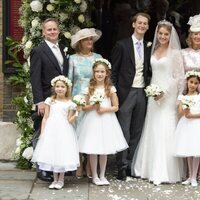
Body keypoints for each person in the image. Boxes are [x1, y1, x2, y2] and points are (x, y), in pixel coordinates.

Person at [132, 20, 185, 185]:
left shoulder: (175, 53)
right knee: (152, 127)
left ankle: (165, 171)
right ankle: (148, 168)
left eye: (165, 34)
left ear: (170, 36)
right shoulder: (154, 49)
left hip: (167, 96)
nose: (162, 36)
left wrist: (165, 92)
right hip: (153, 95)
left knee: (165, 127)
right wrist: (154, 92)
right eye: (160, 33)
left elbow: (179, 76)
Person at [111, 12, 152, 181]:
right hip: (126, 92)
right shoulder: (122, 45)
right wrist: (114, 92)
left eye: (145, 24)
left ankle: (131, 165)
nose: (142, 26)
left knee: (137, 131)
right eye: (139, 23)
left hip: (142, 92)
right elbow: (113, 71)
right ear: (133, 24)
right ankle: (121, 166)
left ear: (148, 27)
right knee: (124, 130)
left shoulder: (149, 46)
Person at [77, 58, 128, 186]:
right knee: (94, 149)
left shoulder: (110, 89)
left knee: (104, 149)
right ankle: (94, 175)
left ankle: (102, 175)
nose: (99, 74)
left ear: (107, 73)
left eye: (102, 72)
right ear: (93, 73)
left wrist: (104, 109)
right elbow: (84, 106)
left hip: (106, 120)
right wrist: (93, 106)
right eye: (97, 71)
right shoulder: (89, 88)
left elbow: (116, 107)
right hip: (92, 120)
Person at [30, 18, 69, 182]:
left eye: (55, 29)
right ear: (43, 32)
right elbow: (35, 78)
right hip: (46, 99)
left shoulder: (62, 48)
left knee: (56, 134)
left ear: (58, 31)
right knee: (42, 133)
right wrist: (39, 101)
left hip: (60, 100)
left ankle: (55, 167)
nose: (52, 32)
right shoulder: (38, 51)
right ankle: (41, 169)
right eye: (49, 30)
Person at [31, 75, 79, 190]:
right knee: (53, 152)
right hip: (51, 129)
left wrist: (76, 113)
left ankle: (61, 179)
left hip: (64, 130)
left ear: (67, 89)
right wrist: (43, 132)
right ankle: (54, 179)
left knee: (61, 152)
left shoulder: (70, 103)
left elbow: (69, 121)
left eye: (62, 86)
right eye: (57, 86)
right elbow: (46, 117)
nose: (60, 89)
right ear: (54, 88)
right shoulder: (50, 101)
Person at [68, 28, 102, 178]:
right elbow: (69, 80)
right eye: (86, 39)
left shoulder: (98, 57)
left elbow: (102, 78)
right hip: (77, 98)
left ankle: (90, 163)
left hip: (93, 97)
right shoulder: (72, 59)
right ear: (80, 43)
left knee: (91, 131)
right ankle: (79, 163)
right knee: (77, 131)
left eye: (91, 39)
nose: (90, 42)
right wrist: (69, 101)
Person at [174, 71, 200, 187]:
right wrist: (185, 110)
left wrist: (192, 115)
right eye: (191, 82)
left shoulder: (198, 97)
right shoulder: (182, 96)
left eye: (195, 83)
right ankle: (189, 176)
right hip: (185, 125)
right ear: (187, 82)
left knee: (196, 151)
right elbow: (179, 112)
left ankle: (194, 176)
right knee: (188, 150)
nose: (193, 85)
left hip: (196, 124)